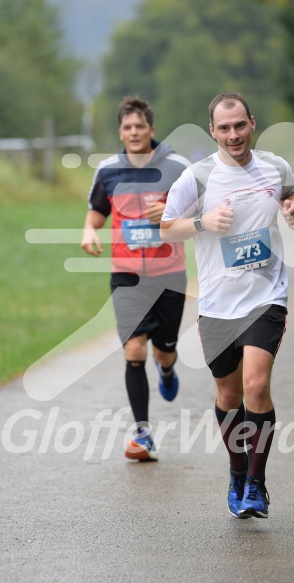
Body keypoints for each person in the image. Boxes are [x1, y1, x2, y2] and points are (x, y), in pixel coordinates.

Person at [160, 92, 294, 519]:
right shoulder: (197, 177)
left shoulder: (275, 166)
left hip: (266, 296)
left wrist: (293, 208)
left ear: (252, 123)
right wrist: (203, 222)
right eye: (224, 128)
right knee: (229, 394)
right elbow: (167, 229)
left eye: (239, 125)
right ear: (212, 131)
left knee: (256, 387)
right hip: (218, 304)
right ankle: (237, 470)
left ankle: (256, 485)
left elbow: (291, 194)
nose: (233, 134)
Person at [81, 95, 190, 461]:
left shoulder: (177, 167)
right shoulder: (108, 171)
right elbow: (96, 211)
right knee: (133, 350)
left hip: (169, 276)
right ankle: (143, 434)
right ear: (120, 132)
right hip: (126, 276)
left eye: (140, 126)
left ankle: (169, 369)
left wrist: (170, 214)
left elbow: (197, 214)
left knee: (163, 351)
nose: (134, 132)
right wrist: (89, 231)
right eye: (127, 127)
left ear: (151, 129)